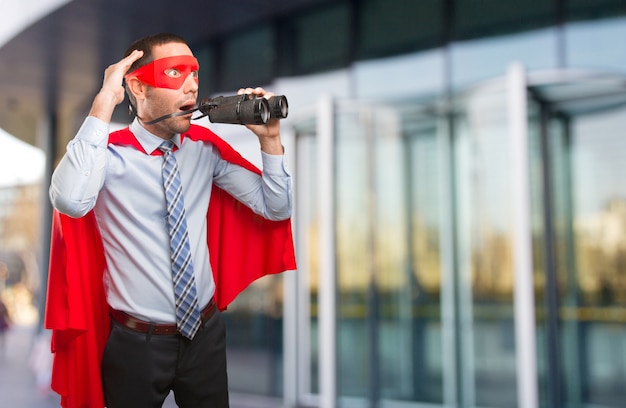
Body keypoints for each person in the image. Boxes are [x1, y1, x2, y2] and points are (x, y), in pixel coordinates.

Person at [46, 32, 295, 408]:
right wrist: (103, 103)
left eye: (195, 73)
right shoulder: (107, 159)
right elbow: (69, 200)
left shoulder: (205, 151)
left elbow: (276, 208)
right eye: (176, 72)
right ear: (138, 87)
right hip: (136, 345)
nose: (192, 84)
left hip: (205, 336)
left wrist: (270, 140)